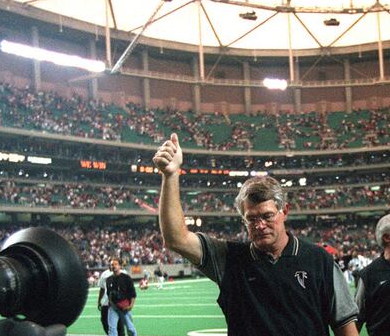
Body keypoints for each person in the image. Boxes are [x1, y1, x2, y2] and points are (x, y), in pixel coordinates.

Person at [152, 133, 360, 336]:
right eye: (251, 218)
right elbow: (176, 239)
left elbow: (345, 326)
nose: (260, 225)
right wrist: (170, 175)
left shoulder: (319, 260)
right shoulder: (229, 259)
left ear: (284, 211)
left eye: (267, 216)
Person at [106, 258, 137, 336]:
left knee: (130, 328)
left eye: (116, 264)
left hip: (124, 307)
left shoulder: (126, 278)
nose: (114, 266)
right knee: (112, 328)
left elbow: (132, 293)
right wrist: (110, 304)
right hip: (113, 307)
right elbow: (108, 293)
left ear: (120, 266)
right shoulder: (109, 279)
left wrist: (131, 306)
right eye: (112, 264)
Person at [97, 261, 125, 336]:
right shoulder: (104, 274)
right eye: (111, 264)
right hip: (106, 303)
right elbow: (102, 289)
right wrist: (99, 301)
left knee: (119, 325)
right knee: (105, 322)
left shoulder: (123, 273)